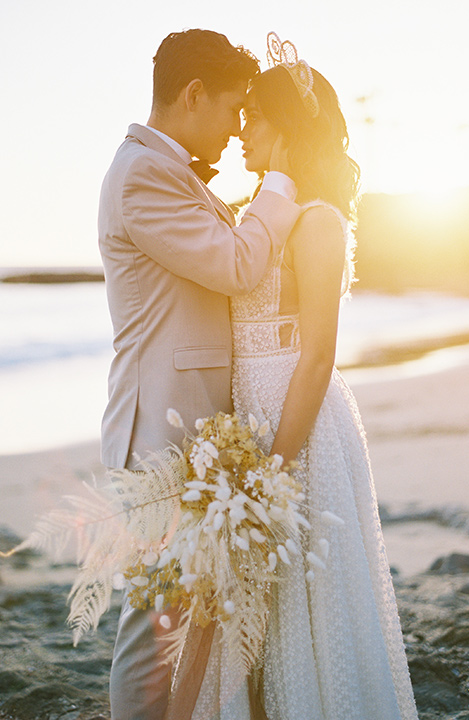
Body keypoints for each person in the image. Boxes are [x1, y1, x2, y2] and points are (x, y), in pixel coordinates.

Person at [186, 34, 419, 719]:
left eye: (254, 114)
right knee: (255, 595)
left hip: (300, 419)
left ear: (285, 124)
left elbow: (318, 354)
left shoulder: (317, 222)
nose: (241, 129)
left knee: (307, 590)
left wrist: (274, 469)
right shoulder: (258, 215)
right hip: (245, 417)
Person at [98, 29, 301, 720]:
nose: (239, 125)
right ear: (192, 95)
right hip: (160, 429)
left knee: (185, 609)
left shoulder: (168, 172)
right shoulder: (143, 175)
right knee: (154, 622)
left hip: (195, 428)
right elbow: (238, 264)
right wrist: (282, 180)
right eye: (233, 107)